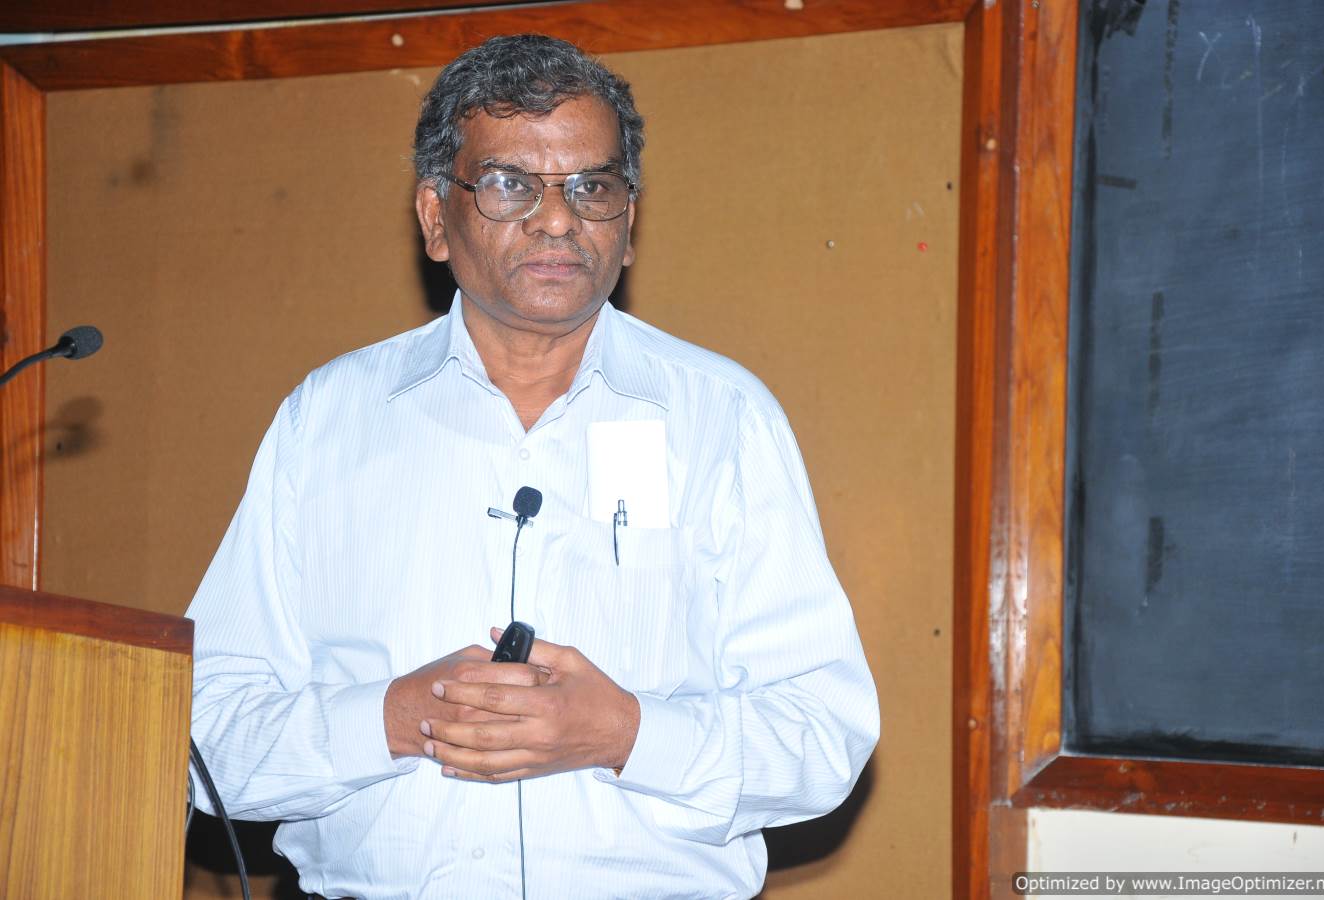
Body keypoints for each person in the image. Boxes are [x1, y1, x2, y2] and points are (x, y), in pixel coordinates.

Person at [187, 33, 878, 900]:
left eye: (592, 187)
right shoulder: (327, 419)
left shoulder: (720, 418)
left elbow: (822, 737)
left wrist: (625, 733)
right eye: (510, 184)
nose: (557, 220)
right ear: (435, 217)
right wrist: (393, 719)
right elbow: (204, 734)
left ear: (628, 223)